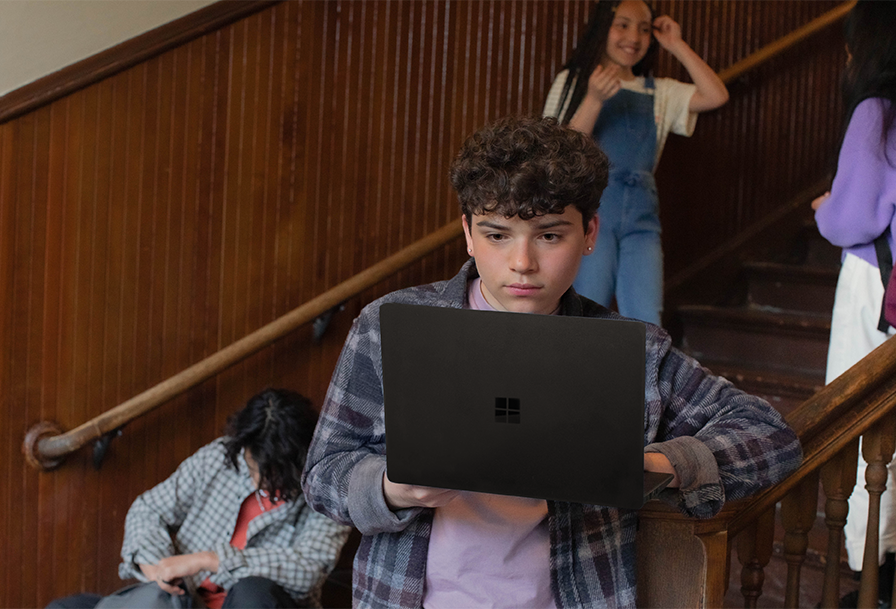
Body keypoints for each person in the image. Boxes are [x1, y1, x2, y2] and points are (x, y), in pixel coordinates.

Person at [301, 115, 801, 609]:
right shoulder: (390, 325)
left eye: (549, 235)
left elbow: (770, 435)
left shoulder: (632, 350)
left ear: (589, 234)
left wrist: (657, 465)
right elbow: (324, 472)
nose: (522, 262)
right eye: (497, 235)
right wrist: (393, 488)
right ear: (468, 234)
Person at [811, 0, 896, 606]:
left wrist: (825, 208)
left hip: (874, 286)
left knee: (860, 422)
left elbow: (854, 217)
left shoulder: (879, 110)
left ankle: (870, 572)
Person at [46, 388, 352, 609]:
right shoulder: (220, 457)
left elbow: (311, 568)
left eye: (272, 473)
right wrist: (156, 567)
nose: (259, 480)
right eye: (252, 466)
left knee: (252, 591)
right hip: (186, 602)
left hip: (256, 604)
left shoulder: (326, 488)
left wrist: (209, 560)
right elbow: (148, 509)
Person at [542, 0, 729, 325]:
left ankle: (640, 378)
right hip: (588, 218)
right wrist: (594, 99)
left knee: (646, 317)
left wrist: (676, 44)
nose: (634, 36)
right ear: (603, 27)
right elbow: (558, 151)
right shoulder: (573, 82)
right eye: (623, 24)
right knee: (585, 310)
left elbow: (716, 96)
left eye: (644, 29)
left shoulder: (660, 92)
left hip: (643, 220)